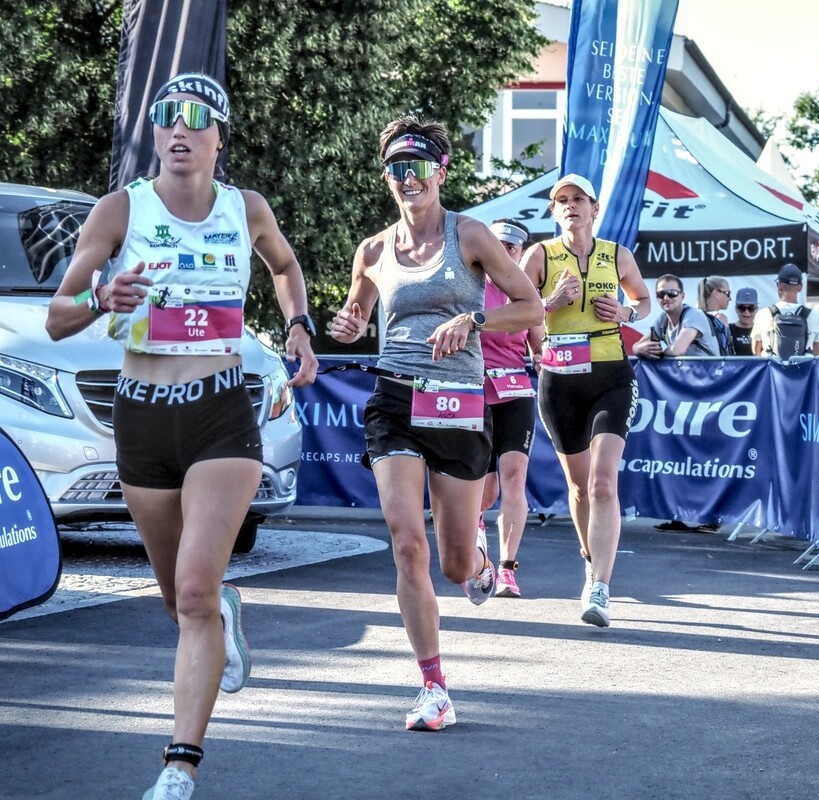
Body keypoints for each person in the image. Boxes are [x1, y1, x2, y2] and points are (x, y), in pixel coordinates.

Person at [45, 73, 318, 800]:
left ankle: (178, 764)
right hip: (141, 415)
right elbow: (58, 313)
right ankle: (222, 613)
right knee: (179, 600)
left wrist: (297, 324)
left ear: (218, 137)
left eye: (198, 118)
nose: (180, 128)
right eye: (168, 115)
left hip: (222, 412)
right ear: (156, 131)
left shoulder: (245, 208)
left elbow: (285, 266)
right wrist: (102, 296)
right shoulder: (119, 209)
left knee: (194, 591)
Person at [328, 117, 541, 731]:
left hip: (457, 403)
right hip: (395, 399)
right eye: (397, 167)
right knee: (406, 541)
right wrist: (344, 328)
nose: (408, 178)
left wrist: (472, 323)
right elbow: (356, 314)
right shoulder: (372, 251)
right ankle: (433, 687)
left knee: (451, 564)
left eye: (419, 166)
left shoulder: (470, 235)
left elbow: (528, 308)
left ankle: (477, 562)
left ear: (442, 172)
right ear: (386, 176)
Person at [520, 173, 651, 627]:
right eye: (562, 200)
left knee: (602, 482)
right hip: (559, 378)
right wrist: (551, 300)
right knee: (578, 488)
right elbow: (516, 309)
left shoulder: (617, 255)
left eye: (579, 199)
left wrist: (627, 312)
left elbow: (644, 299)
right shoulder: (540, 255)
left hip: (611, 374)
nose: (571, 206)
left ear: (595, 209)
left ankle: (601, 587)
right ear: (554, 212)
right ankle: (589, 560)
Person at [479, 218, 544, 598]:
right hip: (476, 392)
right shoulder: (471, 287)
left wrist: (543, 356)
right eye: (498, 245)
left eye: (512, 248)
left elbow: (540, 343)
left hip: (516, 392)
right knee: (484, 492)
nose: (504, 253)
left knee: (514, 475)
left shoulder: (527, 293)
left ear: (520, 253)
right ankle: (477, 535)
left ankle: (507, 568)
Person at [633, 274, 718, 358]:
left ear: (682, 296)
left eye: (672, 293)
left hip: (709, 370)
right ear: (657, 298)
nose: (666, 298)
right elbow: (638, 346)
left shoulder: (694, 314)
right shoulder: (662, 320)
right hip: (686, 370)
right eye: (661, 294)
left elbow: (677, 350)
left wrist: (657, 354)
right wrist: (638, 349)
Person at [752, 263, 819, 357]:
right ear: (800, 286)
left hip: (772, 370)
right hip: (802, 370)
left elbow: (756, 350)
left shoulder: (763, 314)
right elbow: (817, 351)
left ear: (779, 286)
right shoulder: (813, 315)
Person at [729, 287, 758, 355]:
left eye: (751, 308)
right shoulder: (728, 330)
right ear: (736, 309)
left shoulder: (761, 330)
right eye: (742, 308)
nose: (746, 312)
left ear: (756, 309)